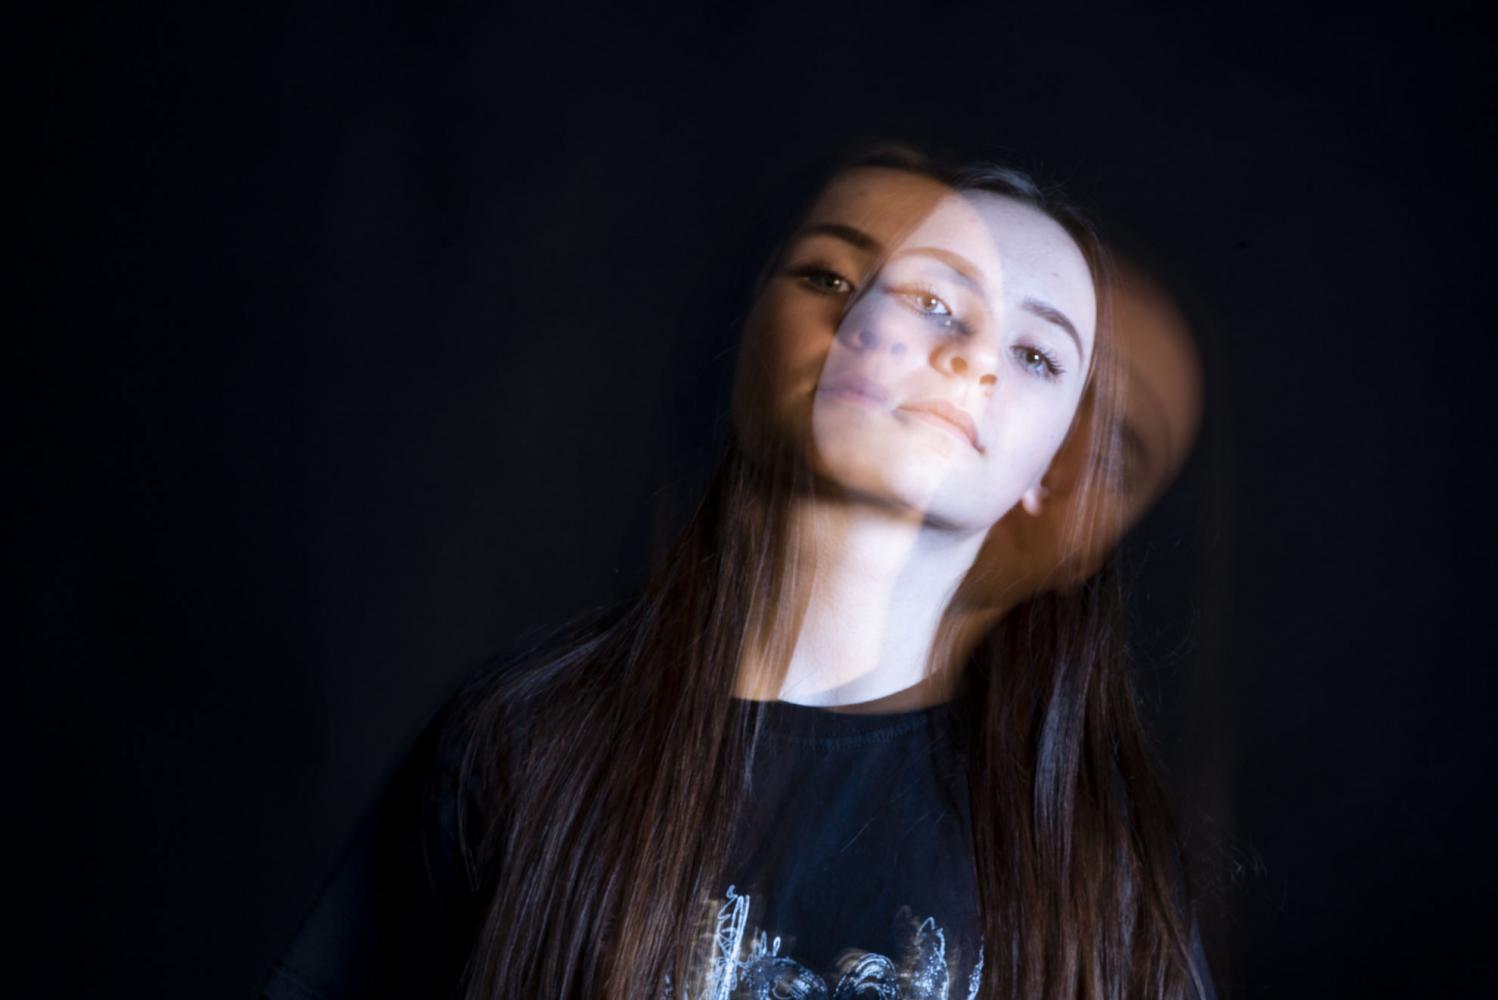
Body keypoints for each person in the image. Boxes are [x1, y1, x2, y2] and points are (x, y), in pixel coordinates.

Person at [265, 144, 1216, 999]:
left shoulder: (1098, 861)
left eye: (1038, 354)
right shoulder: (522, 740)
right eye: (911, 295)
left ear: (1053, 468)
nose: (967, 355)